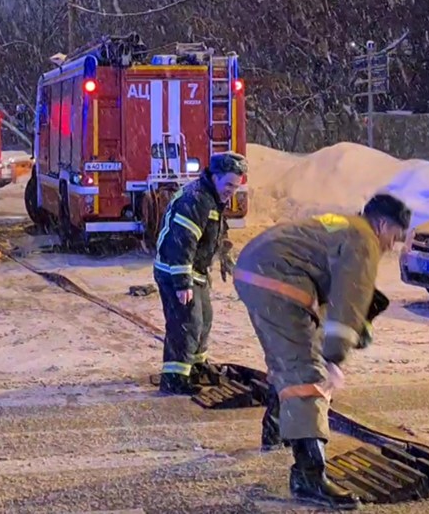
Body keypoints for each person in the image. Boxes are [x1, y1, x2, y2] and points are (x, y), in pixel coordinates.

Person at [233, 193, 411, 510]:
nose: (391, 246)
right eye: (395, 237)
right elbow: (349, 298)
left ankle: (276, 428)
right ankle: (309, 476)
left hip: (256, 269)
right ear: (382, 224)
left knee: (287, 359)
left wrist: (355, 329)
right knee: (306, 374)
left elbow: (336, 293)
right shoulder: (364, 239)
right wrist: (334, 356)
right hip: (276, 279)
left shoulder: (345, 225)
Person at [153, 151, 247, 396]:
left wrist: (225, 256)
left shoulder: (213, 197)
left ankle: (194, 366)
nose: (232, 191)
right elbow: (181, 242)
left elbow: (216, 232)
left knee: (204, 319)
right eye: (229, 184)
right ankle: (174, 377)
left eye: (236, 186)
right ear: (215, 177)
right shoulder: (196, 201)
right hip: (175, 270)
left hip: (196, 270)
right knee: (186, 323)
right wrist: (182, 283)